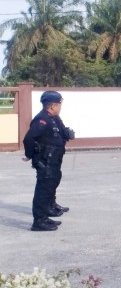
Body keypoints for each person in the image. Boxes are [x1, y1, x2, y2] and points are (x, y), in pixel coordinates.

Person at [22, 91, 75, 232]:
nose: (60, 107)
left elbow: (60, 133)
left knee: (52, 183)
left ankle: (46, 213)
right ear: (52, 106)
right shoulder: (42, 119)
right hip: (45, 161)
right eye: (59, 105)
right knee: (42, 190)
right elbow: (28, 139)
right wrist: (30, 155)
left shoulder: (53, 118)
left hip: (54, 159)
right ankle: (39, 222)